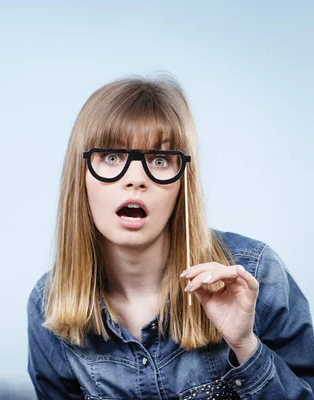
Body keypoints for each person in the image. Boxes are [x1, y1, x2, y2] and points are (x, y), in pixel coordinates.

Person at [27, 75, 314, 399]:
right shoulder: (47, 305)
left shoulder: (256, 274)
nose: (136, 179)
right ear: (80, 175)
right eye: (111, 157)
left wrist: (246, 347)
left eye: (159, 160)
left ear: (183, 183)